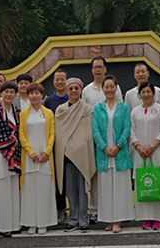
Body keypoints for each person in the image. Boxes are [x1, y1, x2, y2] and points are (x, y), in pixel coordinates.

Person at [81, 56, 123, 223]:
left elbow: (121, 110)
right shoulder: (86, 90)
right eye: (95, 67)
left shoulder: (115, 88)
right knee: (95, 175)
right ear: (91, 70)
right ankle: (95, 210)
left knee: (112, 175)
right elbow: (83, 115)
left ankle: (114, 210)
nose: (97, 69)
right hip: (94, 137)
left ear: (105, 69)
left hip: (114, 139)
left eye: (100, 66)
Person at [92, 75, 134, 233]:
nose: (109, 90)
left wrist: (117, 147)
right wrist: (104, 147)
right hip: (103, 155)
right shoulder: (97, 108)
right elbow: (95, 130)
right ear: (103, 89)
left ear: (116, 88)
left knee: (120, 189)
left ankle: (118, 220)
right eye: (106, 87)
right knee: (106, 189)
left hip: (120, 155)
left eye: (112, 86)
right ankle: (108, 219)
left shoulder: (123, 108)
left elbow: (126, 129)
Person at [55, 78, 96, 233]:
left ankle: (83, 219)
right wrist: (69, 147)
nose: (73, 91)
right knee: (70, 190)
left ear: (80, 90)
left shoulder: (87, 109)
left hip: (83, 155)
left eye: (76, 88)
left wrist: (79, 146)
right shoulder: (60, 110)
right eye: (70, 88)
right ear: (67, 91)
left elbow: (87, 132)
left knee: (82, 189)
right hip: (66, 156)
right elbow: (60, 134)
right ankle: (73, 219)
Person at [19, 83, 57, 235]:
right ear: (28, 96)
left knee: (44, 190)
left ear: (42, 95)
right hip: (29, 158)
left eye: (37, 93)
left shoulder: (48, 113)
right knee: (29, 191)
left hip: (45, 158)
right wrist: (30, 152)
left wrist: (47, 151)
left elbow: (52, 134)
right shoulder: (23, 114)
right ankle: (31, 223)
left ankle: (44, 222)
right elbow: (21, 134)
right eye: (31, 93)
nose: (34, 96)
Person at [130, 82, 160, 231]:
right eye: (143, 92)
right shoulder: (135, 111)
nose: (146, 94)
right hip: (140, 154)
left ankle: (158, 218)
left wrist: (152, 147)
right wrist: (138, 146)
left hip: (157, 152)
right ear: (139, 95)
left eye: (148, 92)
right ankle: (146, 218)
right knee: (143, 183)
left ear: (154, 93)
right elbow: (131, 131)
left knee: (157, 182)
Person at [0, 82, 21, 237]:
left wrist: (15, 141)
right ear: (1, 93)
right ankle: (2, 225)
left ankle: (14, 223)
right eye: (6, 92)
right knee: (1, 188)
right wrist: (10, 139)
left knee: (13, 188)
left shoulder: (16, 111)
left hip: (14, 155)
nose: (9, 95)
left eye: (12, 92)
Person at [43, 68, 69, 223]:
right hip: (53, 146)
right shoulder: (48, 101)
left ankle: (74, 209)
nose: (59, 82)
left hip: (70, 146)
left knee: (69, 180)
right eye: (57, 79)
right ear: (53, 82)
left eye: (62, 79)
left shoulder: (71, 98)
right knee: (57, 179)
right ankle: (59, 210)